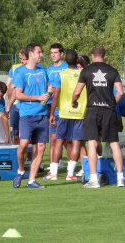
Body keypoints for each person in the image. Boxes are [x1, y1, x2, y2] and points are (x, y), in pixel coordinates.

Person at [72, 45, 125, 188]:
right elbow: (120, 92)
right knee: (114, 144)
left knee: (92, 143)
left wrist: (73, 101)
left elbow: (77, 92)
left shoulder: (86, 70)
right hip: (109, 111)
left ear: (92, 55)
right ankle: (121, 178)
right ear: (105, 56)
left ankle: (94, 179)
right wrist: (112, 104)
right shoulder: (113, 71)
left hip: (92, 111)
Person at [45, 50, 87, 181]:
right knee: (76, 143)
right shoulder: (84, 75)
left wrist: (52, 113)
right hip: (80, 113)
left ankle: (53, 173)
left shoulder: (61, 75)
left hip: (64, 113)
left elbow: (55, 97)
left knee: (59, 141)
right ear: (77, 61)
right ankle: (70, 174)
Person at [13, 43, 50, 188]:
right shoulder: (20, 72)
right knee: (23, 144)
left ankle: (31, 180)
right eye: (39, 52)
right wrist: (38, 98)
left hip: (42, 115)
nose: (41, 55)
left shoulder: (42, 70)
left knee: (40, 147)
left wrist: (50, 91)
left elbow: (47, 89)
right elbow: (18, 94)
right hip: (27, 115)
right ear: (31, 54)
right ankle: (21, 170)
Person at [46, 43, 68, 170]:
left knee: (67, 140)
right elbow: (47, 91)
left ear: (61, 54)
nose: (53, 55)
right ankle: (54, 165)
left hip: (65, 108)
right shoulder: (48, 70)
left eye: (56, 52)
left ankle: (72, 164)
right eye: (51, 53)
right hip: (52, 108)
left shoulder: (67, 68)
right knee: (53, 138)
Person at [5, 47, 27, 145]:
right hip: (15, 104)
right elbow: (10, 87)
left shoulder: (38, 70)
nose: (22, 61)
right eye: (20, 59)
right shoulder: (16, 69)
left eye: (23, 59)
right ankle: (16, 150)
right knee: (14, 128)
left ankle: (27, 155)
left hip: (26, 105)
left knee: (26, 131)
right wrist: (8, 102)